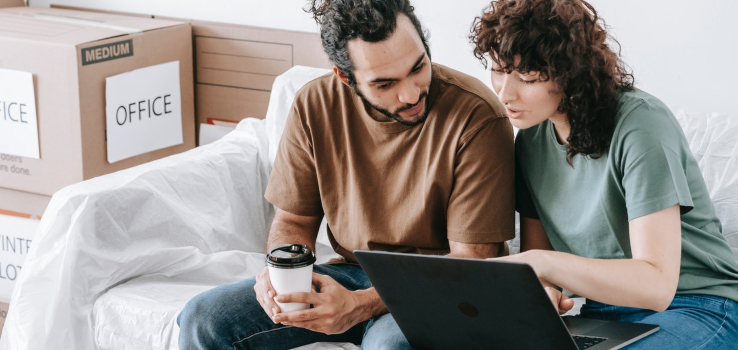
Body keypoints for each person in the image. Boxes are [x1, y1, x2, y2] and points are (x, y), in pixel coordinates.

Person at [177, 0, 517, 348]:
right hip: (352, 272)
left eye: (418, 67)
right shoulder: (314, 105)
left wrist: (361, 305)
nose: (412, 93)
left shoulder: (477, 116)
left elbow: (474, 261)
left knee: (391, 346)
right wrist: (283, 276)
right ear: (345, 77)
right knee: (202, 319)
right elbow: (294, 220)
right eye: (385, 84)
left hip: (437, 288)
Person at [470, 0, 738, 349]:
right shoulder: (530, 139)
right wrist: (544, 291)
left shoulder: (640, 124)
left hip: (700, 305)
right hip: (603, 314)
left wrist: (540, 263)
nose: (504, 94)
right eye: (499, 70)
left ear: (570, 72)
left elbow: (656, 285)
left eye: (528, 77)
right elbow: (543, 269)